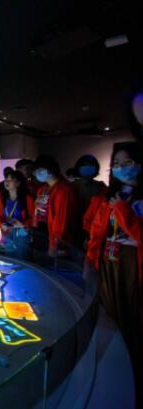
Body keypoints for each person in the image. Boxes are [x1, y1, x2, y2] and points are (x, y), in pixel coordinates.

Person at [86, 142, 142, 393]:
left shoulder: (126, 200)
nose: (121, 168)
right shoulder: (110, 197)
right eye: (116, 164)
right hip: (108, 261)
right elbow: (97, 232)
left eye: (127, 163)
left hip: (133, 262)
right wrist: (90, 261)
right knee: (111, 313)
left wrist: (121, 209)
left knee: (133, 313)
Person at [33, 154, 76, 256]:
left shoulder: (64, 190)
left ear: (50, 169)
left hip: (57, 240)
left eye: (40, 170)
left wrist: (54, 243)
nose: (37, 173)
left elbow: (61, 218)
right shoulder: (43, 189)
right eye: (36, 171)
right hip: (42, 233)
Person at [71, 155, 107, 246]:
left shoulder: (101, 186)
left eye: (91, 165)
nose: (88, 167)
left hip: (94, 225)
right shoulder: (71, 186)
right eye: (85, 165)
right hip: (75, 225)